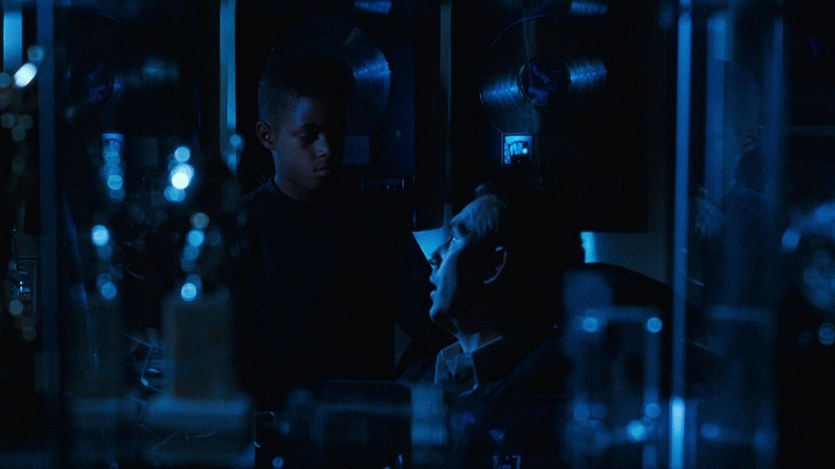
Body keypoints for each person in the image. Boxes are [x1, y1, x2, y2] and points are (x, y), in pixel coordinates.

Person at [228, 52, 396, 462]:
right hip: (269, 438)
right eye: (309, 135)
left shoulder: (371, 220)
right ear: (268, 137)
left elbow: (431, 322)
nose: (328, 148)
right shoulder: (241, 228)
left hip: (360, 440)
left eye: (335, 132)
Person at [398, 177, 585, 468]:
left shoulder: (555, 392)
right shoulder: (414, 380)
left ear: (494, 265)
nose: (434, 256)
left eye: (455, 238)